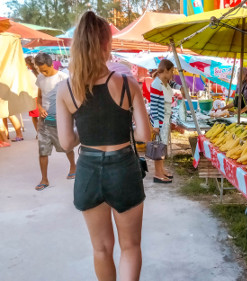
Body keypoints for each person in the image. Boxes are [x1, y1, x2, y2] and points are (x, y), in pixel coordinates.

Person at [56, 11, 150, 280]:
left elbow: (66, 142)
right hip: (123, 168)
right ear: (107, 44)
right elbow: (144, 135)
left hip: (87, 170)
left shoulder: (66, 89)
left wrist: (85, 128)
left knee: (101, 249)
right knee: (130, 246)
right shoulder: (127, 84)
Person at [34, 52, 76, 190]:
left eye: (45, 70)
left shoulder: (63, 78)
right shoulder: (40, 78)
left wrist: (66, 113)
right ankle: (44, 179)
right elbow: (39, 97)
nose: (43, 73)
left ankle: (73, 166)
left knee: (66, 147)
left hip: (60, 122)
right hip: (44, 121)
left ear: (52, 65)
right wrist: (39, 108)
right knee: (42, 151)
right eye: (41, 71)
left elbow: (71, 99)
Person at [149, 59, 181, 184]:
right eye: (171, 71)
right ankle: (157, 174)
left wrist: (181, 87)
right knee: (159, 147)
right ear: (166, 70)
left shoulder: (165, 82)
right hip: (160, 121)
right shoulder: (156, 84)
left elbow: (172, 84)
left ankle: (161, 169)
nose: (172, 74)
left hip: (166, 119)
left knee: (163, 147)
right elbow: (154, 107)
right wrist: (156, 125)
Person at [26, 56, 41, 132]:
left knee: (34, 117)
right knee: (42, 116)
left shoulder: (27, 73)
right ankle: (43, 133)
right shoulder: (40, 71)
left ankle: (38, 133)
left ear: (27, 64)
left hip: (32, 96)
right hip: (41, 96)